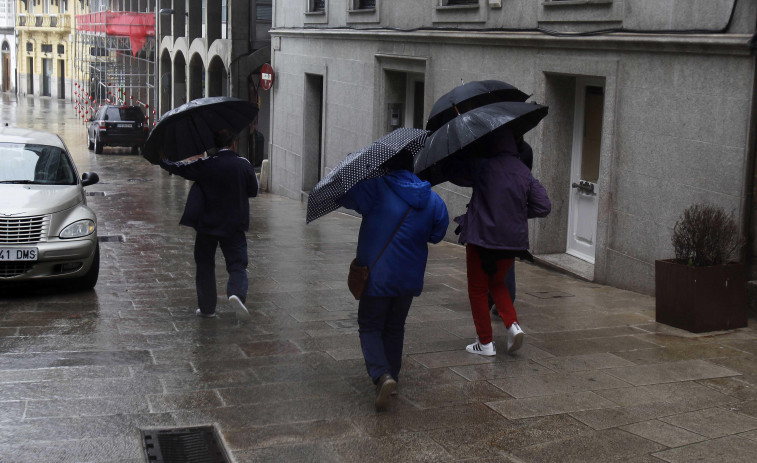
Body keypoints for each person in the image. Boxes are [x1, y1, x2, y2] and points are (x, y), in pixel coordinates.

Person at [337, 154, 449, 412]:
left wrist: (363, 175)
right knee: (395, 326)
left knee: (370, 325)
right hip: (408, 278)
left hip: (376, 275)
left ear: (386, 166)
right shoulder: (431, 198)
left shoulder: (377, 187)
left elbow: (345, 196)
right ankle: (392, 377)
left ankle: (381, 375)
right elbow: (437, 233)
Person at [445, 129, 550, 356]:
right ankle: (513, 326)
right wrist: (513, 214)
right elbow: (544, 206)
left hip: (481, 238)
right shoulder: (523, 171)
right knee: (497, 283)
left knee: (478, 288)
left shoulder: (482, 165)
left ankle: (485, 343)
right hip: (511, 241)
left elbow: (455, 173)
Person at [160, 128, 259, 320]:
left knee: (205, 264)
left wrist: (164, 160)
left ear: (215, 145)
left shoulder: (206, 164)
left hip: (207, 224)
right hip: (234, 225)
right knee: (237, 263)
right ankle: (236, 293)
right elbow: (253, 190)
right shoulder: (243, 164)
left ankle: (207, 308)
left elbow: (182, 169)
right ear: (234, 143)